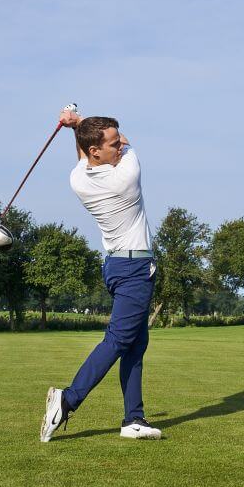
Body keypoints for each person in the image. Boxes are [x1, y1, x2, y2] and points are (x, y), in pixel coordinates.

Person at [40, 108, 161, 442]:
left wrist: (74, 127)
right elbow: (126, 140)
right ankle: (68, 399)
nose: (118, 146)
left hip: (115, 267)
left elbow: (83, 153)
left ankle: (133, 419)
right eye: (111, 144)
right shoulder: (127, 176)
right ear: (96, 150)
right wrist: (77, 124)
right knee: (119, 340)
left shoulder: (79, 178)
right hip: (135, 269)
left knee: (136, 344)